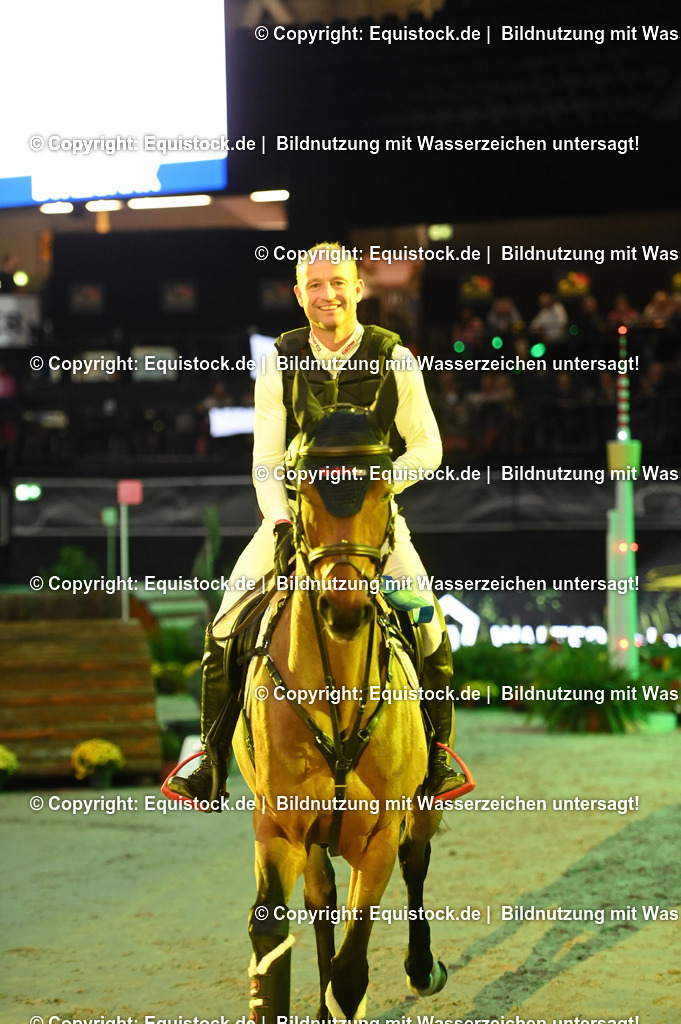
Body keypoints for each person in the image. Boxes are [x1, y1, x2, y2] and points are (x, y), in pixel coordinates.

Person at [167, 242, 465, 806]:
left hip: (375, 526)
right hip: (295, 519)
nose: (328, 294)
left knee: (428, 624)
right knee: (228, 622)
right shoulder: (280, 361)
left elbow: (428, 448)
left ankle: (439, 754)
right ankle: (209, 757)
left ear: (358, 289)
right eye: (315, 285)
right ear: (300, 294)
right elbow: (265, 461)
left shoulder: (394, 357)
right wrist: (281, 520)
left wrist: (375, 493)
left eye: (338, 283)